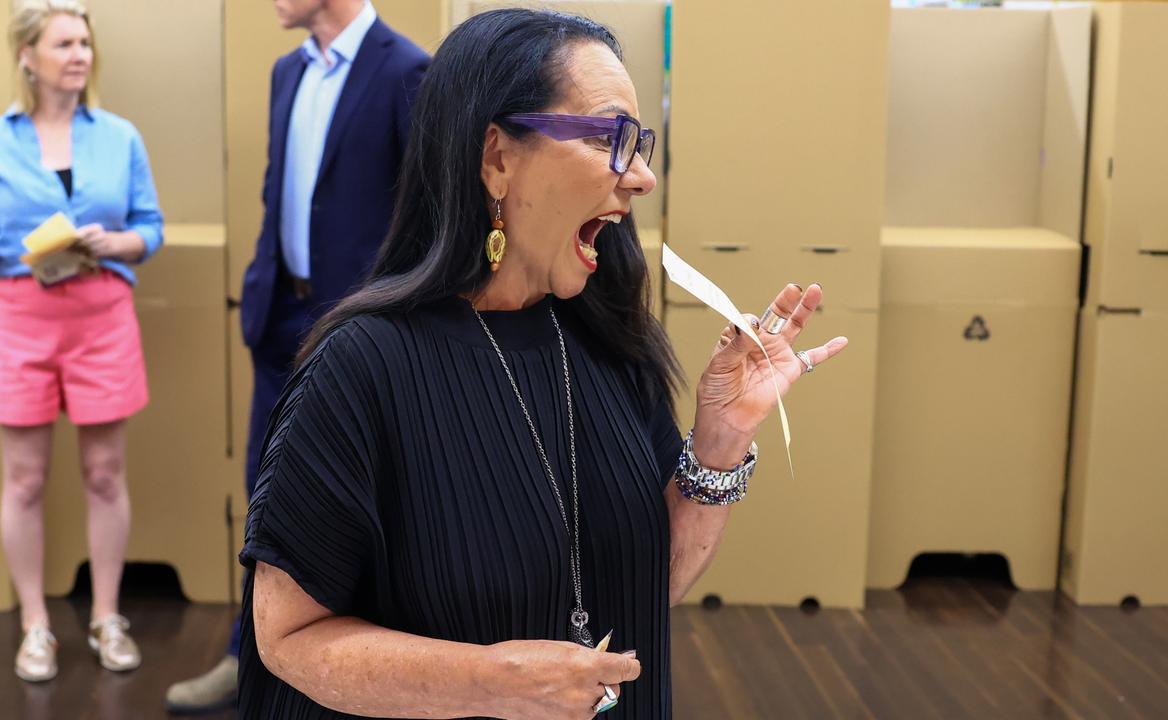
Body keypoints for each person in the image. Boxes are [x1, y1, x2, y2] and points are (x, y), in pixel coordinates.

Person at [236, 8, 848, 719]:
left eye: (641, 144)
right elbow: (287, 638)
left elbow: (645, 583)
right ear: (497, 156)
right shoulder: (361, 370)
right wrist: (491, 681)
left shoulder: (606, 341)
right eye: (613, 139)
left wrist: (720, 436)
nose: (644, 177)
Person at [164, 0, 428, 712]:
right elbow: (279, 191)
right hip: (279, 316)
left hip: (357, 331)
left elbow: (425, 217)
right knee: (265, 496)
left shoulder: (407, 70)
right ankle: (245, 655)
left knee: (357, 505)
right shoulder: (287, 71)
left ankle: (354, 668)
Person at [0, 0, 162, 683]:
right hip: (19, 317)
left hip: (102, 312)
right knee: (26, 478)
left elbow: (150, 230)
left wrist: (117, 241)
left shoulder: (121, 136)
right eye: (65, 43)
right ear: (27, 56)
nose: (80, 54)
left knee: (104, 473)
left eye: (84, 42)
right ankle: (36, 625)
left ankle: (106, 616)